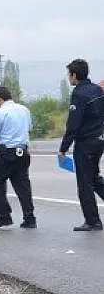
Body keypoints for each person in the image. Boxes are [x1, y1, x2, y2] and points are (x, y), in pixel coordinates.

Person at [58, 58, 104, 231]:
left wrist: (63, 148)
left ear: (74, 75)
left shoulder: (79, 94)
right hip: (99, 140)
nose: (68, 78)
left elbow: (73, 125)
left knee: (84, 183)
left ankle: (93, 221)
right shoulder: (98, 90)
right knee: (94, 178)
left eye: (69, 75)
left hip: (85, 144)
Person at [0, 85, 36, 229]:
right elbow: (30, 128)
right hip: (23, 152)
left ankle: (4, 216)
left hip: (6, 153)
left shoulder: (0, 113)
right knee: (23, 185)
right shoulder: (24, 109)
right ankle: (29, 218)